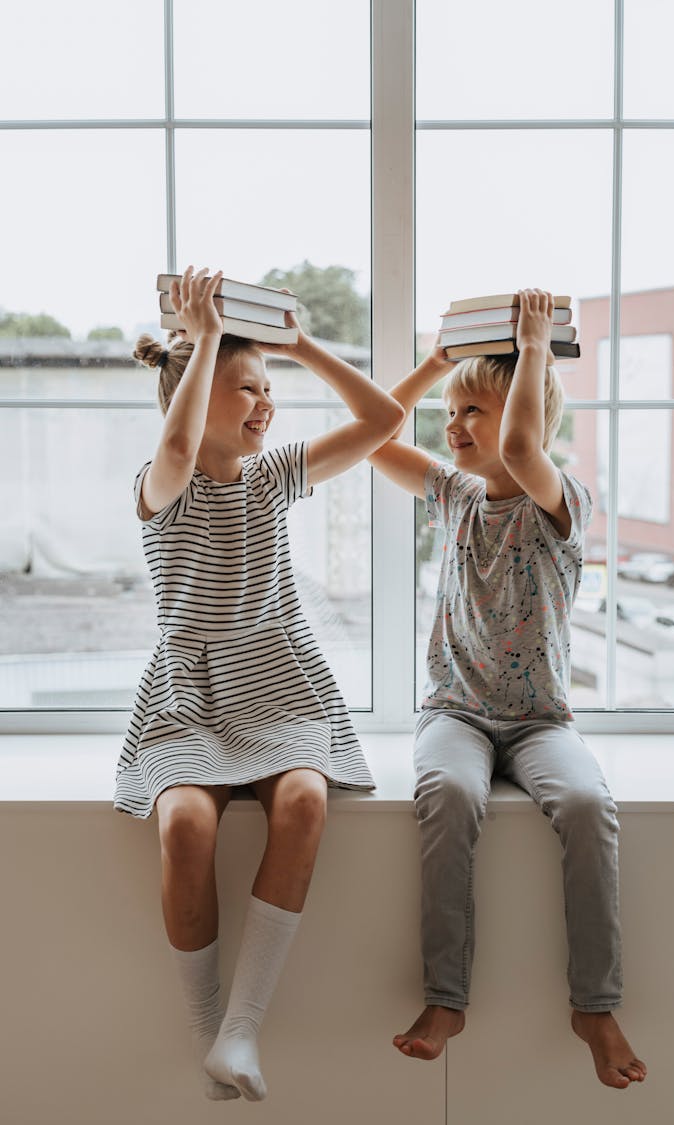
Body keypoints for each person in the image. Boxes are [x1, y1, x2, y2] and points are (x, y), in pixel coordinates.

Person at [114, 266, 404, 1101]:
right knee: (187, 829)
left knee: (306, 802)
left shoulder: (275, 475)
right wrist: (206, 338)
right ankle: (208, 1031)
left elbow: (383, 420)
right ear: (194, 396)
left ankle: (243, 1026)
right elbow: (176, 448)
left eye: (268, 388)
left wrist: (298, 343)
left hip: (277, 677)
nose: (266, 403)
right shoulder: (160, 485)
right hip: (190, 688)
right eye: (248, 389)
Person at [368, 289, 647, 1090]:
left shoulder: (562, 503)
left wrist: (531, 348)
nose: (454, 426)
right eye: (452, 411)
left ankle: (594, 1003)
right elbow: (375, 435)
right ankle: (445, 996)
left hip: (538, 721)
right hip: (455, 711)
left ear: (526, 410)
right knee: (448, 793)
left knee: (591, 805)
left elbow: (523, 446)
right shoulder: (453, 494)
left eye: (473, 411)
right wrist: (437, 364)